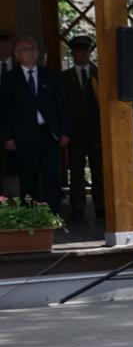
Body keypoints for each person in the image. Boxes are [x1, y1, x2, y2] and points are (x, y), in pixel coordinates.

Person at [2, 38, 69, 213]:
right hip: (23, 136)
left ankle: (53, 213)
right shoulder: (9, 78)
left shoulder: (51, 75)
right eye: (25, 49)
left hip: (48, 133)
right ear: (17, 55)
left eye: (32, 48)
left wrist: (64, 132)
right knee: (28, 177)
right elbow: (5, 110)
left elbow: (61, 105)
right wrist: (7, 137)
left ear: (38, 53)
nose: (30, 52)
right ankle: (30, 215)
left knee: (51, 175)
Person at [60, 35, 105, 221]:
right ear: (73, 53)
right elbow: (62, 107)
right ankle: (77, 209)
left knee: (99, 171)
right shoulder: (64, 77)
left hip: (97, 132)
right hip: (75, 133)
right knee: (76, 173)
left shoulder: (100, 74)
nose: (83, 54)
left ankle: (101, 207)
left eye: (86, 50)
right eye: (79, 50)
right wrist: (64, 132)